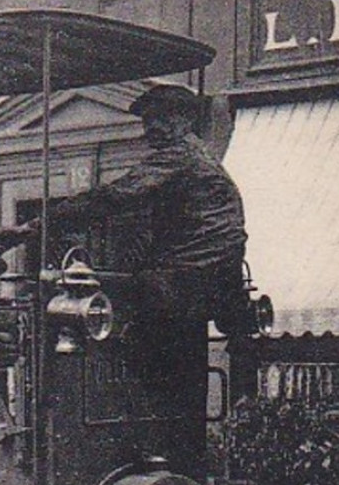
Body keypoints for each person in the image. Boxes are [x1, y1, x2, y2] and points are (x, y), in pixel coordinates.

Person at [29, 82, 247, 381]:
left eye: (160, 118)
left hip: (188, 276)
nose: (150, 128)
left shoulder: (179, 157)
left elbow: (116, 196)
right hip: (210, 276)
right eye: (147, 121)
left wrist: (45, 221)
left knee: (102, 318)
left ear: (185, 120)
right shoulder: (202, 158)